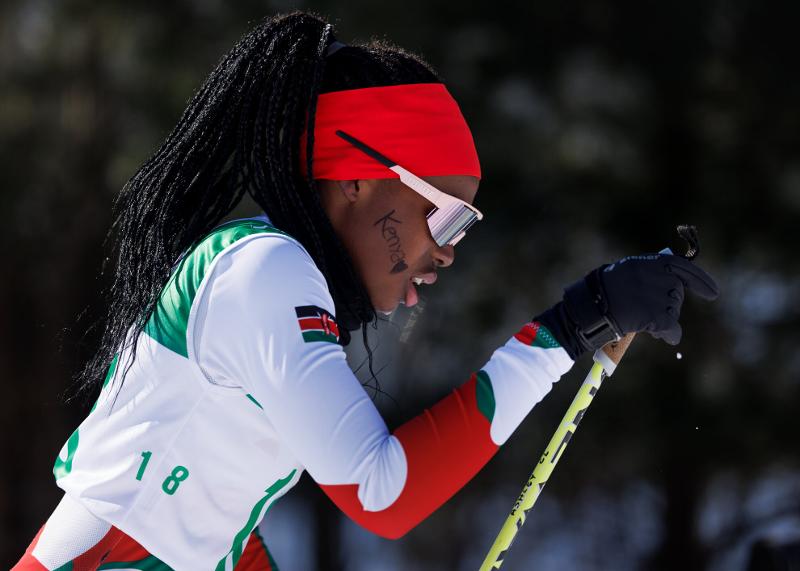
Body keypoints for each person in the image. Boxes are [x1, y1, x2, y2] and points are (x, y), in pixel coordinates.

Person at [14, 11, 719, 571]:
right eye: (440, 213)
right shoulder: (266, 273)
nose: (444, 249)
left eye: (465, 227)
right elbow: (383, 492)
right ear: (357, 177)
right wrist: (571, 324)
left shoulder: (278, 277)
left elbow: (214, 524)